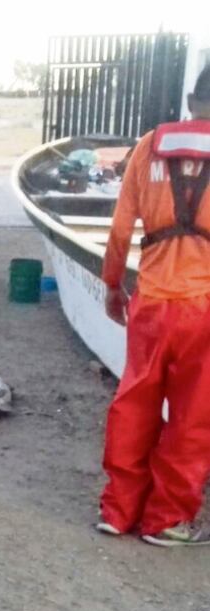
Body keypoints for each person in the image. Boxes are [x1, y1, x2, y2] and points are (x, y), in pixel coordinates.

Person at [97, 65, 210, 547]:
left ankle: (118, 512)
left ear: (190, 99)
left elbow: (121, 228)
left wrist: (112, 286)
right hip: (203, 306)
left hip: (151, 300)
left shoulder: (148, 146)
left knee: (134, 404)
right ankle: (166, 520)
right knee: (192, 415)